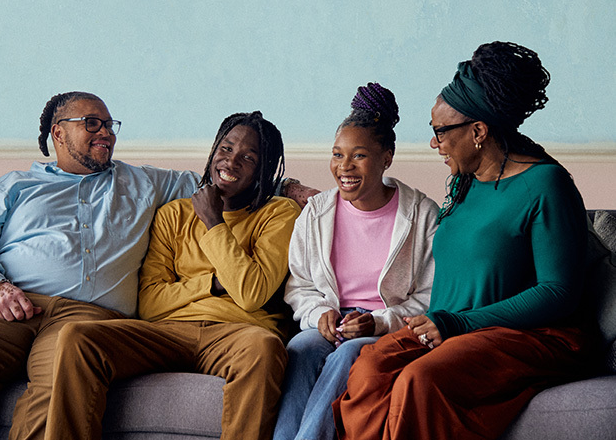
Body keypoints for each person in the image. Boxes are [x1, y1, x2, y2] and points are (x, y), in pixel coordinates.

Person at [0, 92, 314, 440]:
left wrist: (293, 188)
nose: (105, 132)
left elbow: (233, 181)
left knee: (56, 379)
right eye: (91, 123)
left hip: (89, 314)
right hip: (7, 302)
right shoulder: (14, 186)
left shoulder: (145, 182)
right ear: (58, 132)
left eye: (109, 125)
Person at [333, 41, 596, 440]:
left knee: (420, 379)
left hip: (528, 335)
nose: (434, 144)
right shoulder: (463, 183)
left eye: (441, 132)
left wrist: (458, 323)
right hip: (450, 326)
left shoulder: (546, 185)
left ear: (478, 131)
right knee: (369, 368)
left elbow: (558, 292)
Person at [42, 111, 301, 440]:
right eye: (225, 149)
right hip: (168, 333)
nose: (232, 161)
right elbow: (150, 302)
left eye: (249, 157)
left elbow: (251, 293)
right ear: (212, 152)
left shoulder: (278, 213)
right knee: (78, 337)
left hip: (239, 334)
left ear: (264, 168)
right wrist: (213, 284)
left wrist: (213, 222)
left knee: (265, 347)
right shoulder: (172, 215)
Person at [273, 83, 438, 440]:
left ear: (386, 157)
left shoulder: (422, 214)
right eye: (337, 155)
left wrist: (377, 322)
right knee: (299, 348)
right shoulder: (316, 213)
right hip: (331, 323)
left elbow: (428, 296)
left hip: (385, 330)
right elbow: (299, 285)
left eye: (359, 156)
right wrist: (321, 315)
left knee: (348, 356)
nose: (344, 167)